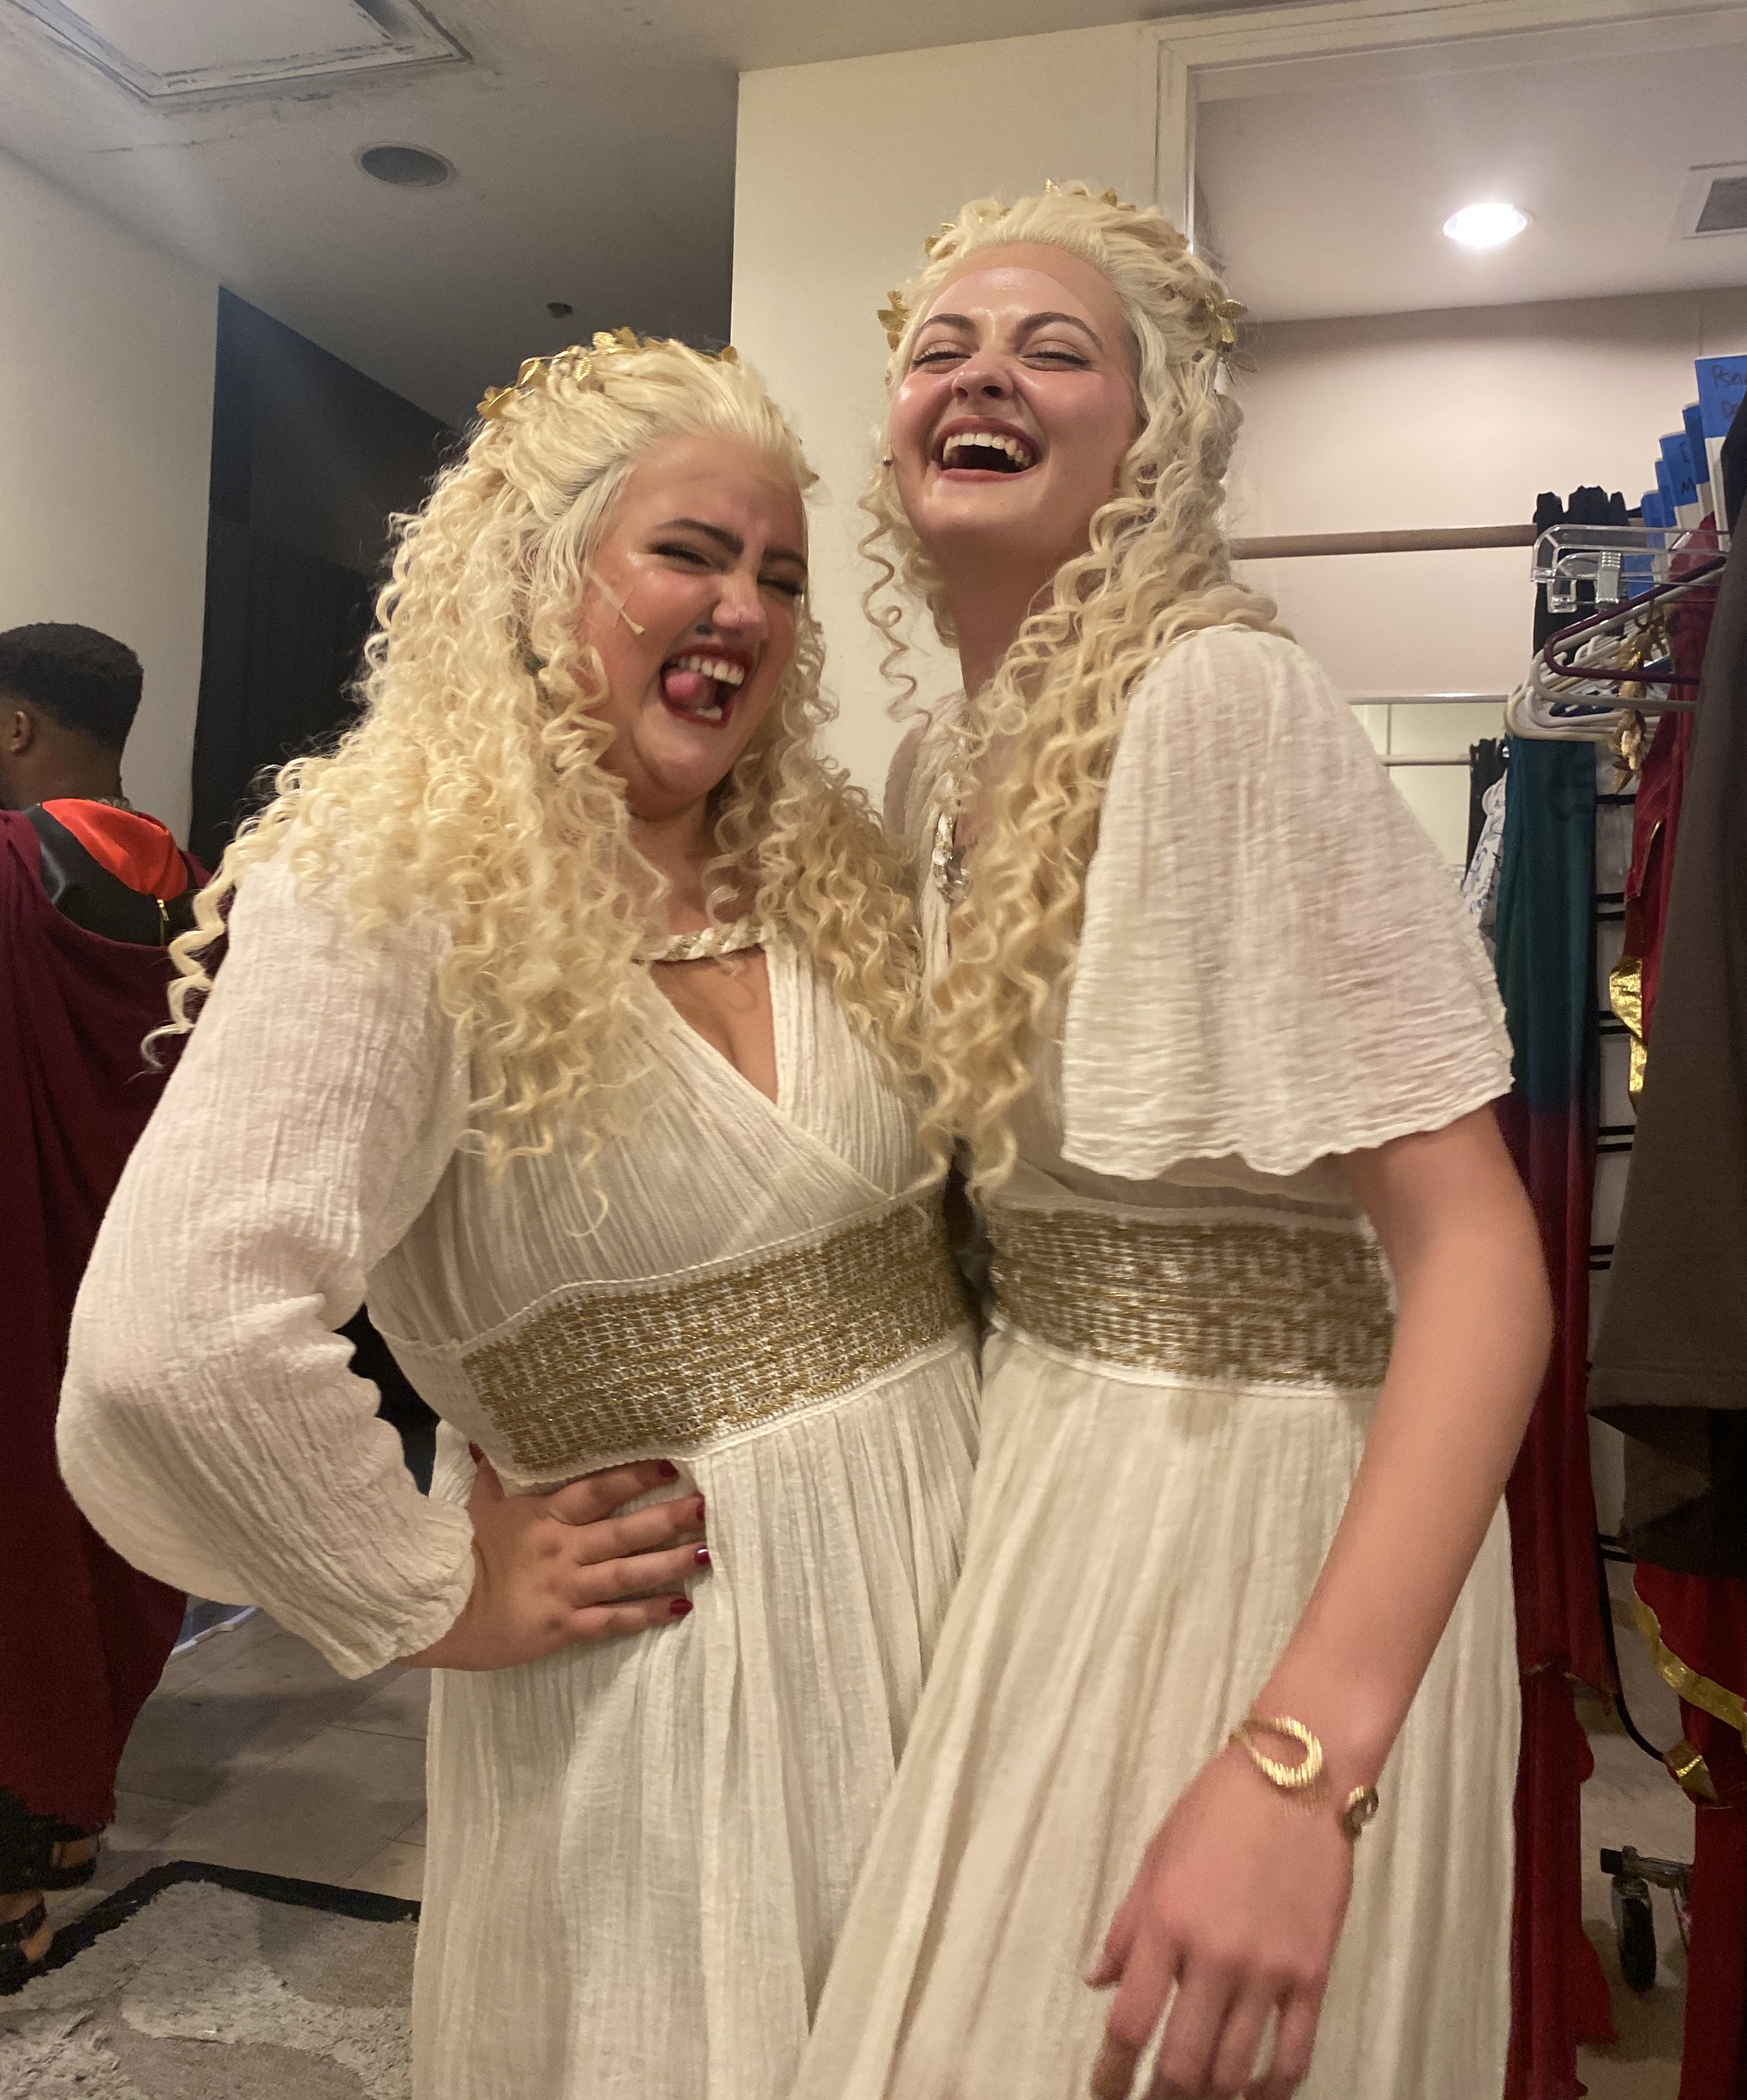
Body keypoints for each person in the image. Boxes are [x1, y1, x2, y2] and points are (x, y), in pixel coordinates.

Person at [57, 336, 979, 2100]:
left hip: (946, 1597)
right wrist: (426, 1592)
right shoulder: (389, 885)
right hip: (675, 1688)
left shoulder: (831, 869)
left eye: (780, 575)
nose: (746, 607)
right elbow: (172, 1337)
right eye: (690, 553)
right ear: (539, 574)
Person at [792, 187, 1551, 2100]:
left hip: (1255, 1524)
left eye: (1056, 347)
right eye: (940, 345)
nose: (983, 370)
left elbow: (1475, 1253)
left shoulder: (1218, 702)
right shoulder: (933, 773)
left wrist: (1300, 1757)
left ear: (1150, 440)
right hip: (1044, 1490)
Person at [0, 623, 201, 1992]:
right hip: (146, 1279)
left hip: (20, 1258)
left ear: (17, 728)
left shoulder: (10, 870)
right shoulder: (212, 897)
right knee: (115, 1527)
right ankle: (64, 1827)